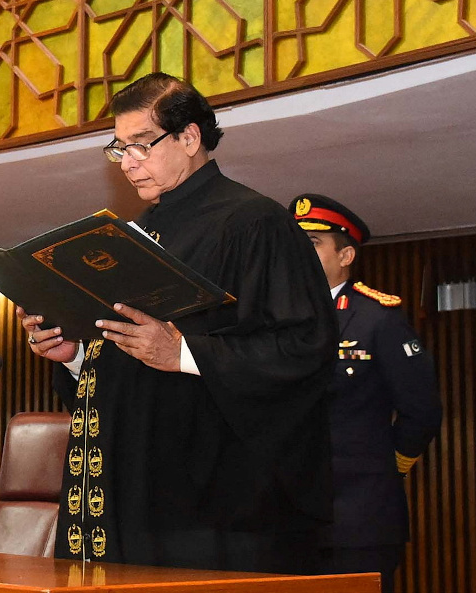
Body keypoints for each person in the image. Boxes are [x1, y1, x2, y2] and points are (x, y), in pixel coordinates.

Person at [17, 72, 338, 573]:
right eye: (119, 148)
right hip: (126, 487)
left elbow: (305, 347)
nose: (128, 163)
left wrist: (185, 354)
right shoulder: (134, 232)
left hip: (211, 505)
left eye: (141, 145)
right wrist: (76, 356)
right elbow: (124, 352)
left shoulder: (254, 222)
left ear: (190, 138)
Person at [289, 193, 442, 592]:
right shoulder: (274, 319)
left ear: (346, 256)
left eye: (312, 244)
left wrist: (387, 464)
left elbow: (421, 409)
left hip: (359, 515)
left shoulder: (377, 319)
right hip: (286, 519)